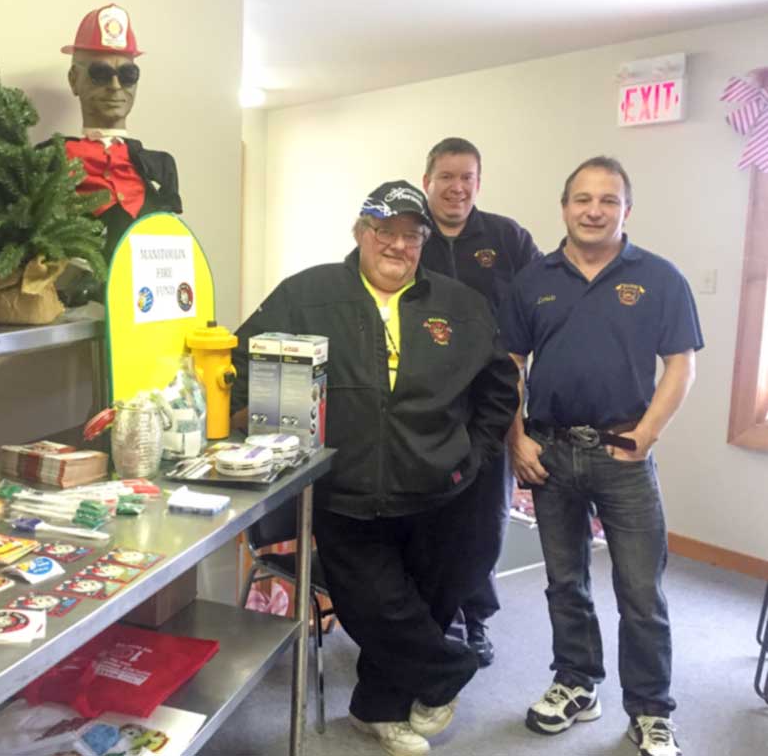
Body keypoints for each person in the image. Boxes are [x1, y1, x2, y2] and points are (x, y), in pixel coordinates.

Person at [231, 181, 519, 756]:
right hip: (345, 490)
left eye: (411, 235)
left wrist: (473, 454)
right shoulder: (308, 293)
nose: (397, 245)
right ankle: (449, 668)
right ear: (360, 232)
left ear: (424, 242)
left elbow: (499, 387)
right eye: (384, 230)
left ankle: (375, 711)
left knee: (427, 603)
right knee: (375, 606)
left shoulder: (460, 305)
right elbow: (243, 361)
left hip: (438, 490)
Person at [499, 157, 701, 756]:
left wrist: (648, 433)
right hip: (550, 453)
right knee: (565, 583)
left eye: (608, 200)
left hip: (625, 457)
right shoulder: (532, 280)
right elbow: (510, 367)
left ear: (626, 210)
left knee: (641, 592)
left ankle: (650, 711)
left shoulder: (660, 278)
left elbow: (682, 364)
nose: (594, 211)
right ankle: (577, 683)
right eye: (583, 199)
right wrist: (516, 439)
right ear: (564, 207)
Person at [418, 137, 541, 667]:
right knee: (428, 513)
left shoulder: (507, 238)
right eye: (446, 176)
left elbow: (544, 303)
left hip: (491, 404)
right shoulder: (410, 234)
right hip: (423, 405)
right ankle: (428, 617)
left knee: (486, 519)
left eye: (466, 177)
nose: (457, 187)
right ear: (427, 181)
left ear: (478, 183)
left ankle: (475, 616)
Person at [53, 3, 182, 261]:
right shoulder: (52, 159)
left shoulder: (160, 166)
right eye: (100, 73)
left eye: (127, 74)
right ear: (73, 79)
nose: (115, 86)